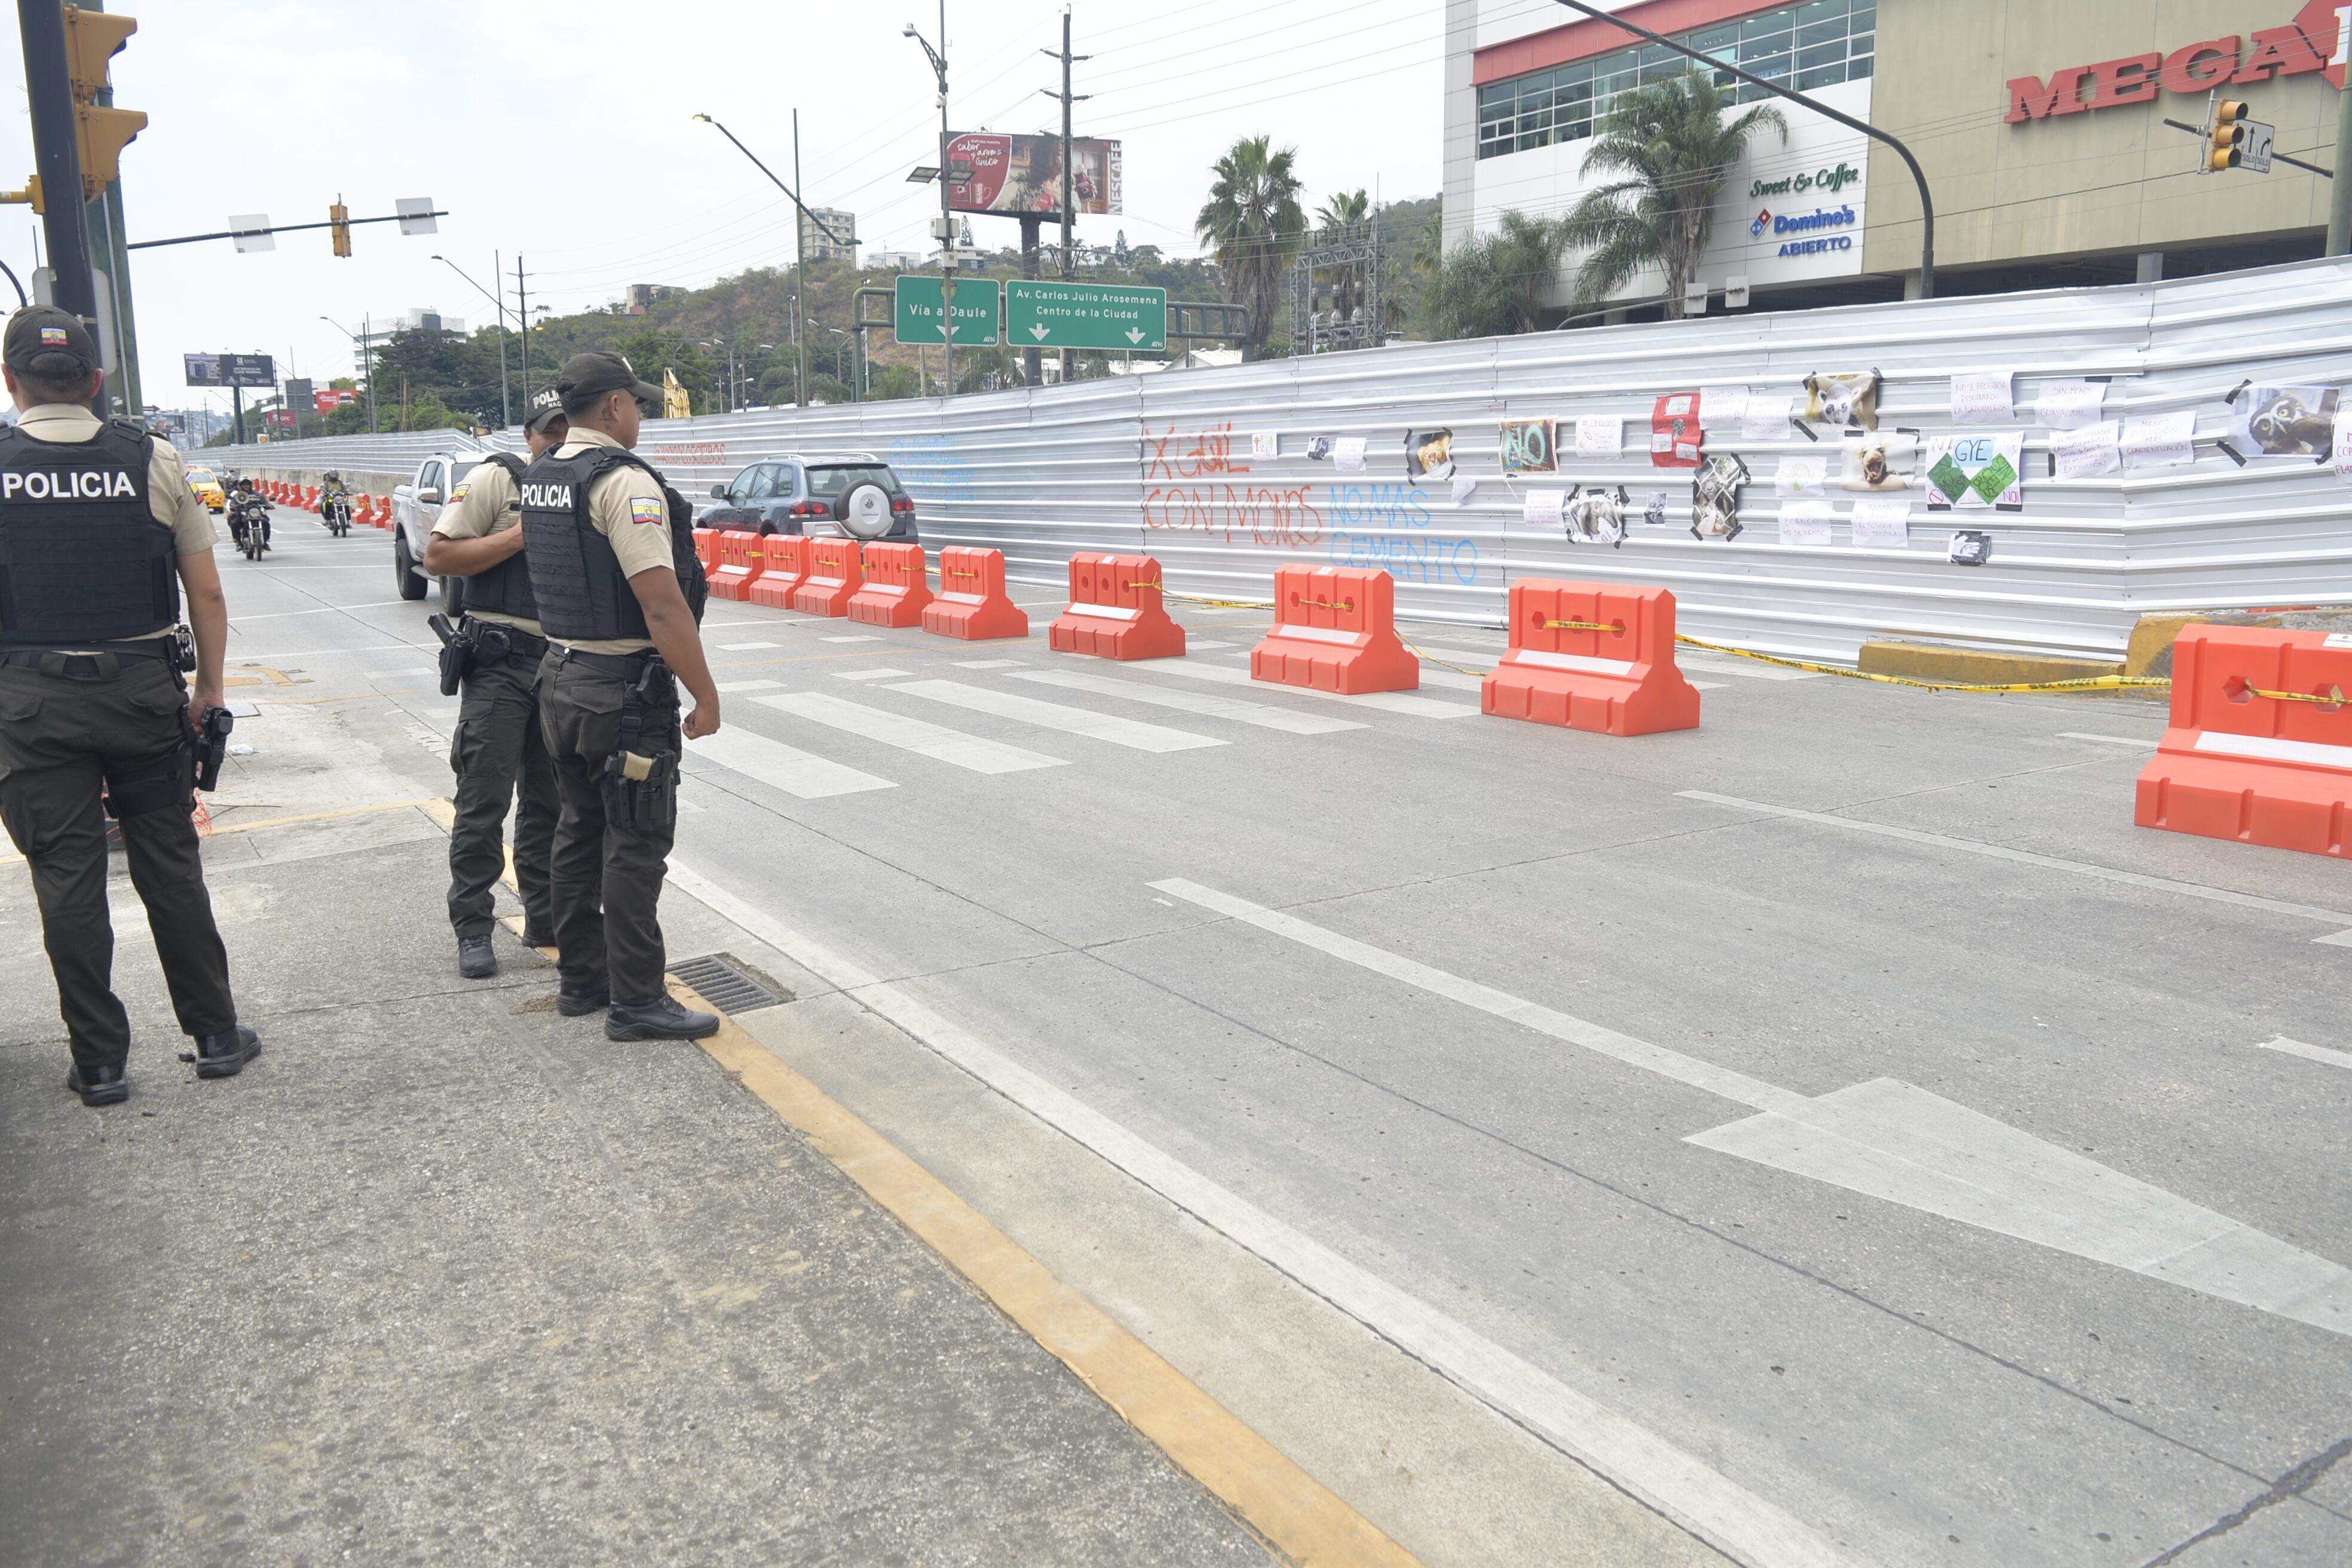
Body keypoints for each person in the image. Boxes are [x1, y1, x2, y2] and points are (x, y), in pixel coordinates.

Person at [0, 305, 261, 1105]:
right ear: (96, 380)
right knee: (169, 866)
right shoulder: (153, 459)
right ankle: (215, 1034)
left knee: (67, 878)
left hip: (31, 703)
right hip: (142, 693)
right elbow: (206, 592)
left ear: (11, 381)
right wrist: (207, 690)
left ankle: (100, 1061)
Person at [519, 353, 721, 1041]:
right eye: (635, 403)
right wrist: (706, 694)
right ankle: (637, 999)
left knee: (578, 831)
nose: (640, 413)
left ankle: (583, 980)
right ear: (611, 408)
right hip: (621, 696)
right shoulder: (623, 482)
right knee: (634, 844)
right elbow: (662, 606)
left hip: (560, 683)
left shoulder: (543, 475)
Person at [420, 389, 569, 978]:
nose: (557, 440)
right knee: (484, 799)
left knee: (550, 803)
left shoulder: (587, 485)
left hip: (558, 665)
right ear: (529, 436)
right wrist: (517, 537)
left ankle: (546, 913)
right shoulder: (496, 481)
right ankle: (473, 927)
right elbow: (437, 556)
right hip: (501, 663)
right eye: (547, 431)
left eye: (567, 429)